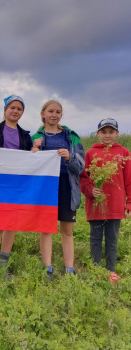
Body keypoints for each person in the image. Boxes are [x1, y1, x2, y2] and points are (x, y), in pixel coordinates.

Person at [31, 100, 85, 279]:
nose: (54, 115)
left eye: (58, 112)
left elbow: (81, 166)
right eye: (51, 111)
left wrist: (70, 158)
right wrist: (34, 149)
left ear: (61, 115)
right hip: (45, 187)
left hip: (67, 185)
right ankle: (48, 268)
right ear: (43, 114)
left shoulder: (72, 136)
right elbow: (28, 166)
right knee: (46, 228)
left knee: (67, 230)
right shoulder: (35, 137)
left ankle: (69, 268)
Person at [0, 94, 32, 279]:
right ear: (5, 110)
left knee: (11, 225)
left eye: (19, 109)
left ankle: (4, 264)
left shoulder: (25, 135)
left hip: (16, 185)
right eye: (12, 107)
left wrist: (34, 151)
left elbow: (29, 159)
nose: (15, 111)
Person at [80, 118, 131, 284]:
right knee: (95, 238)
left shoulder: (124, 153)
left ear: (117, 134)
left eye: (111, 132)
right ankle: (96, 270)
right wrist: (90, 190)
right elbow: (83, 178)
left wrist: (129, 203)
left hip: (115, 206)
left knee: (112, 239)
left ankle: (111, 271)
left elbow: (129, 180)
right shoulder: (90, 154)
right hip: (96, 205)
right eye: (104, 132)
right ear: (98, 134)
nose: (107, 135)